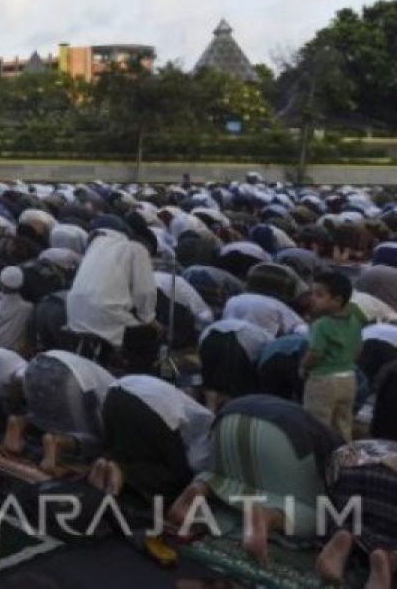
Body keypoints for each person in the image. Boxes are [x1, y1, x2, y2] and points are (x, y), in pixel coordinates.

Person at [169, 395, 341, 564]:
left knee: (230, 478)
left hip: (229, 419)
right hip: (284, 440)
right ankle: (269, 516)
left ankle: (203, 486)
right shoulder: (337, 451)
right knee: (321, 515)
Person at [93, 374, 213, 504]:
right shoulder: (210, 428)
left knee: (124, 454)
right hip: (154, 407)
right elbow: (194, 465)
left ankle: (108, 469)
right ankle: (123, 473)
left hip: (118, 390)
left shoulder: (200, 412)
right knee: (179, 477)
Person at [65, 229, 157, 364]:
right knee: (148, 335)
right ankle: (140, 375)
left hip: (74, 313)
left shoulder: (97, 244)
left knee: (117, 320)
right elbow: (144, 292)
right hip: (105, 314)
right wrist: (149, 318)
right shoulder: (138, 250)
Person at [315, 439, 397, 589]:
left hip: (351, 463)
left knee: (344, 517)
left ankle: (341, 538)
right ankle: (385, 561)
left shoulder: (379, 442)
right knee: (389, 537)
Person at [300, 270, 366, 441]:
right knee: (343, 422)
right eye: (312, 293)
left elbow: (315, 352)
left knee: (317, 423)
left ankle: (319, 458)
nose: (312, 298)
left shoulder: (321, 324)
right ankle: (343, 455)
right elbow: (359, 349)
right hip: (349, 378)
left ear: (337, 300)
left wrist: (303, 366)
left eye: (319, 295)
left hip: (323, 380)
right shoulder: (354, 321)